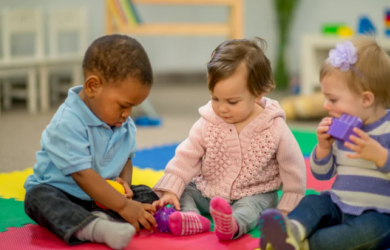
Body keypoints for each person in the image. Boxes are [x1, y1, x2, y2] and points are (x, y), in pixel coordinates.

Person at [152, 37, 306, 241]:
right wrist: (171, 189)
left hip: (254, 193)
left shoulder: (274, 127)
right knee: (185, 191)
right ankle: (191, 217)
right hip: (209, 191)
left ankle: (233, 224)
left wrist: (289, 205)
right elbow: (186, 157)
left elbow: (293, 168)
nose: (221, 108)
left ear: (258, 93)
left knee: (254, 208)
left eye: (232, 102)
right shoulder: (208, 122)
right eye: (215, 98)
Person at [24, 34, 159, 250]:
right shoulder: (67, 122)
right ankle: (96, 228)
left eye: (132, 107)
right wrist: (123, 205)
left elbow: (126, 159)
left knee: (149, 193)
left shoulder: (123, 123)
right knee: (37, 199)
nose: (127, 114)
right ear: (93, 86)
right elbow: (82, 175)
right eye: (123, 105)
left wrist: (124, 188)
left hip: (104, 195)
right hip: (64, 193)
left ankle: (166, 217)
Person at [258, 37, 390, 250]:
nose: (326, 105)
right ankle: (291, 230)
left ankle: (304, 245)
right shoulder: (340, 129)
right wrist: (324, 148)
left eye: (333, 100)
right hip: (338, 205)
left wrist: (380, 156)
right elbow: (322, 175)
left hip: (379, 214)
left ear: (366, 99)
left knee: (369, 232)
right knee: (314, 201)